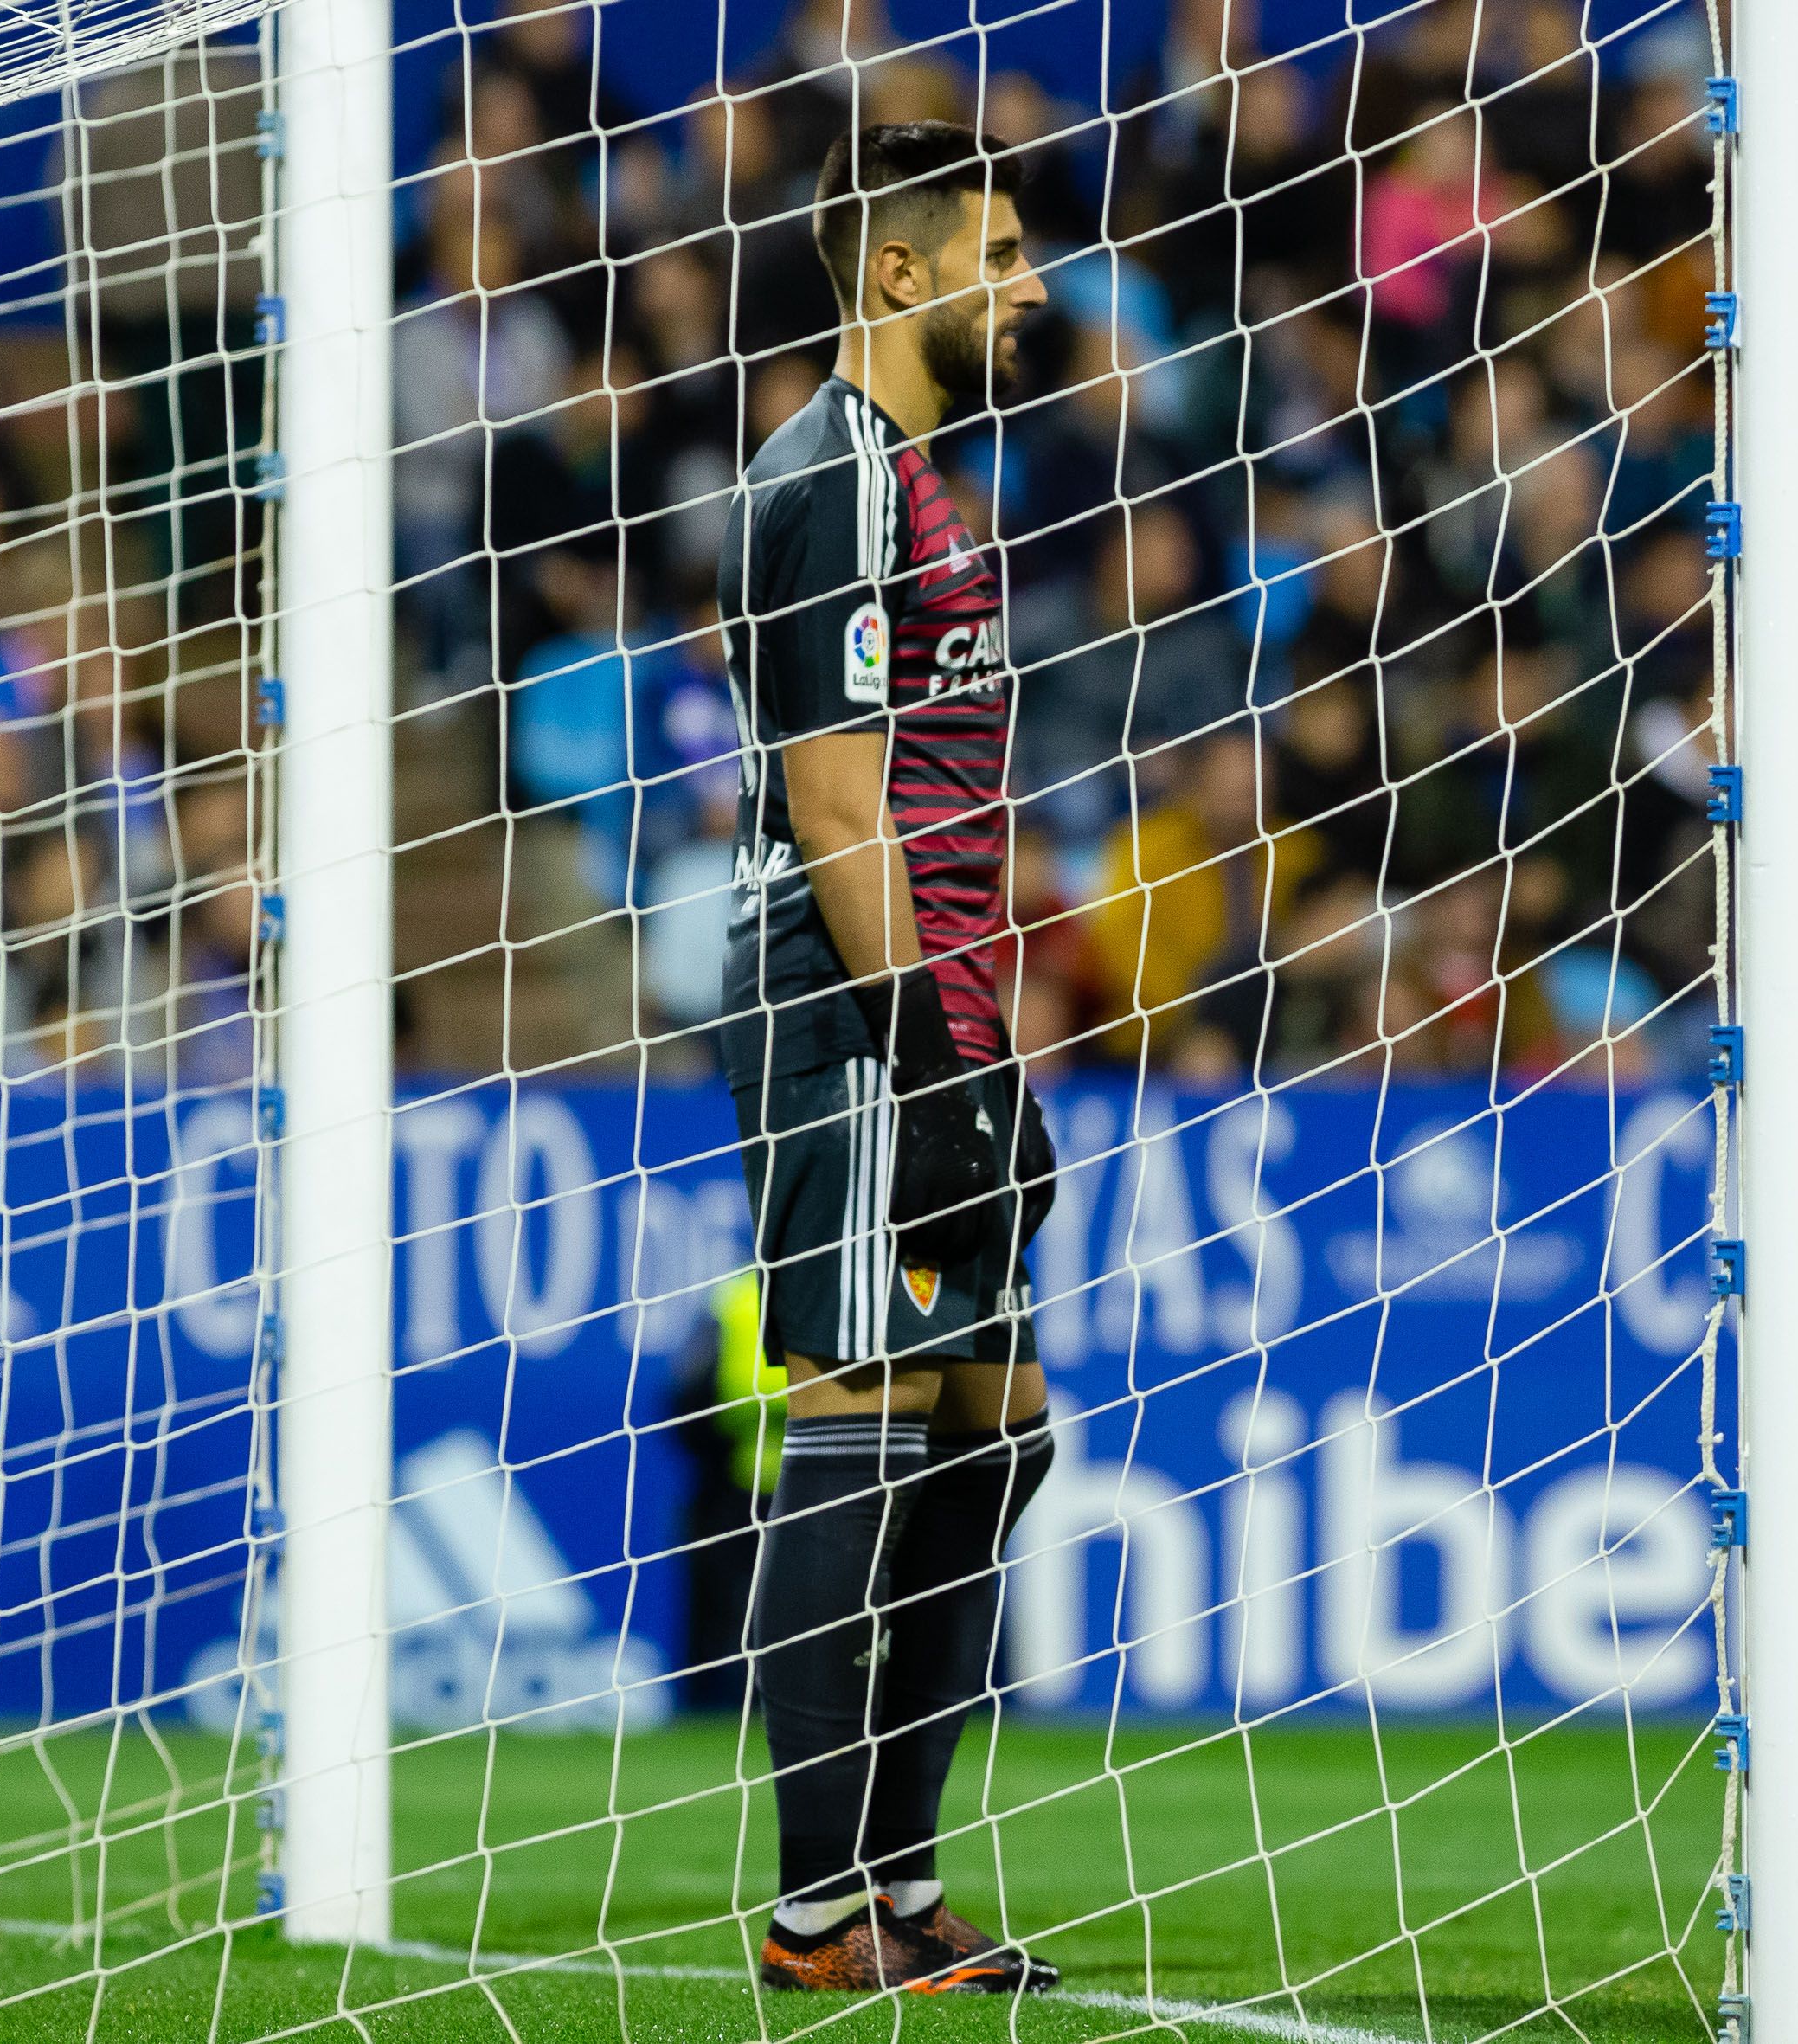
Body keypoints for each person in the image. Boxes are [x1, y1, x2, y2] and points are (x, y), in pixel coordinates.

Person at [713, 119, 1059, 1996]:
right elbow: (839, 810)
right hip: (851, 1004)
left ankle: (902, 1880)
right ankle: (815, 1909)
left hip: (938, 995)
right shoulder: (827, 480)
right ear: (903, 272)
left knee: (994, 1432)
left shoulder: (919, 482)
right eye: (999, 254)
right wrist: (937, 1076)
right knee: (858, 1407)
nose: (1032, 285)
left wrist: (990, 1057)